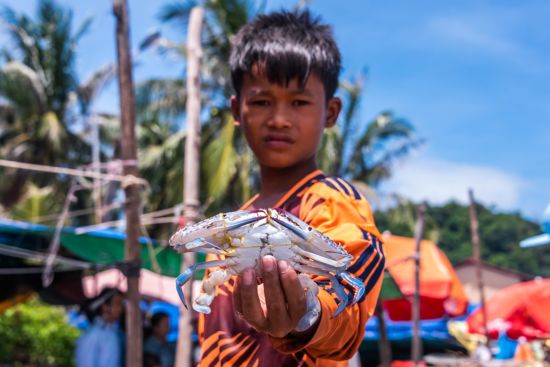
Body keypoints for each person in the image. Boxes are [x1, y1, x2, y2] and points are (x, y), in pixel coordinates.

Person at [196, 9, 385, 367]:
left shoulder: (332, 204)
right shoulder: (226, 231)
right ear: (237, 110)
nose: (279, 119)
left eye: (299, 102)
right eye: (262, 101)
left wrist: (308, 315)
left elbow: (347, 308)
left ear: (330, 112)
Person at [75, 287, 125, 367]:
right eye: (117, 304)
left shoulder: (116, 332)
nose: (121, 308)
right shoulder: (93, 335)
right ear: (105, 307)